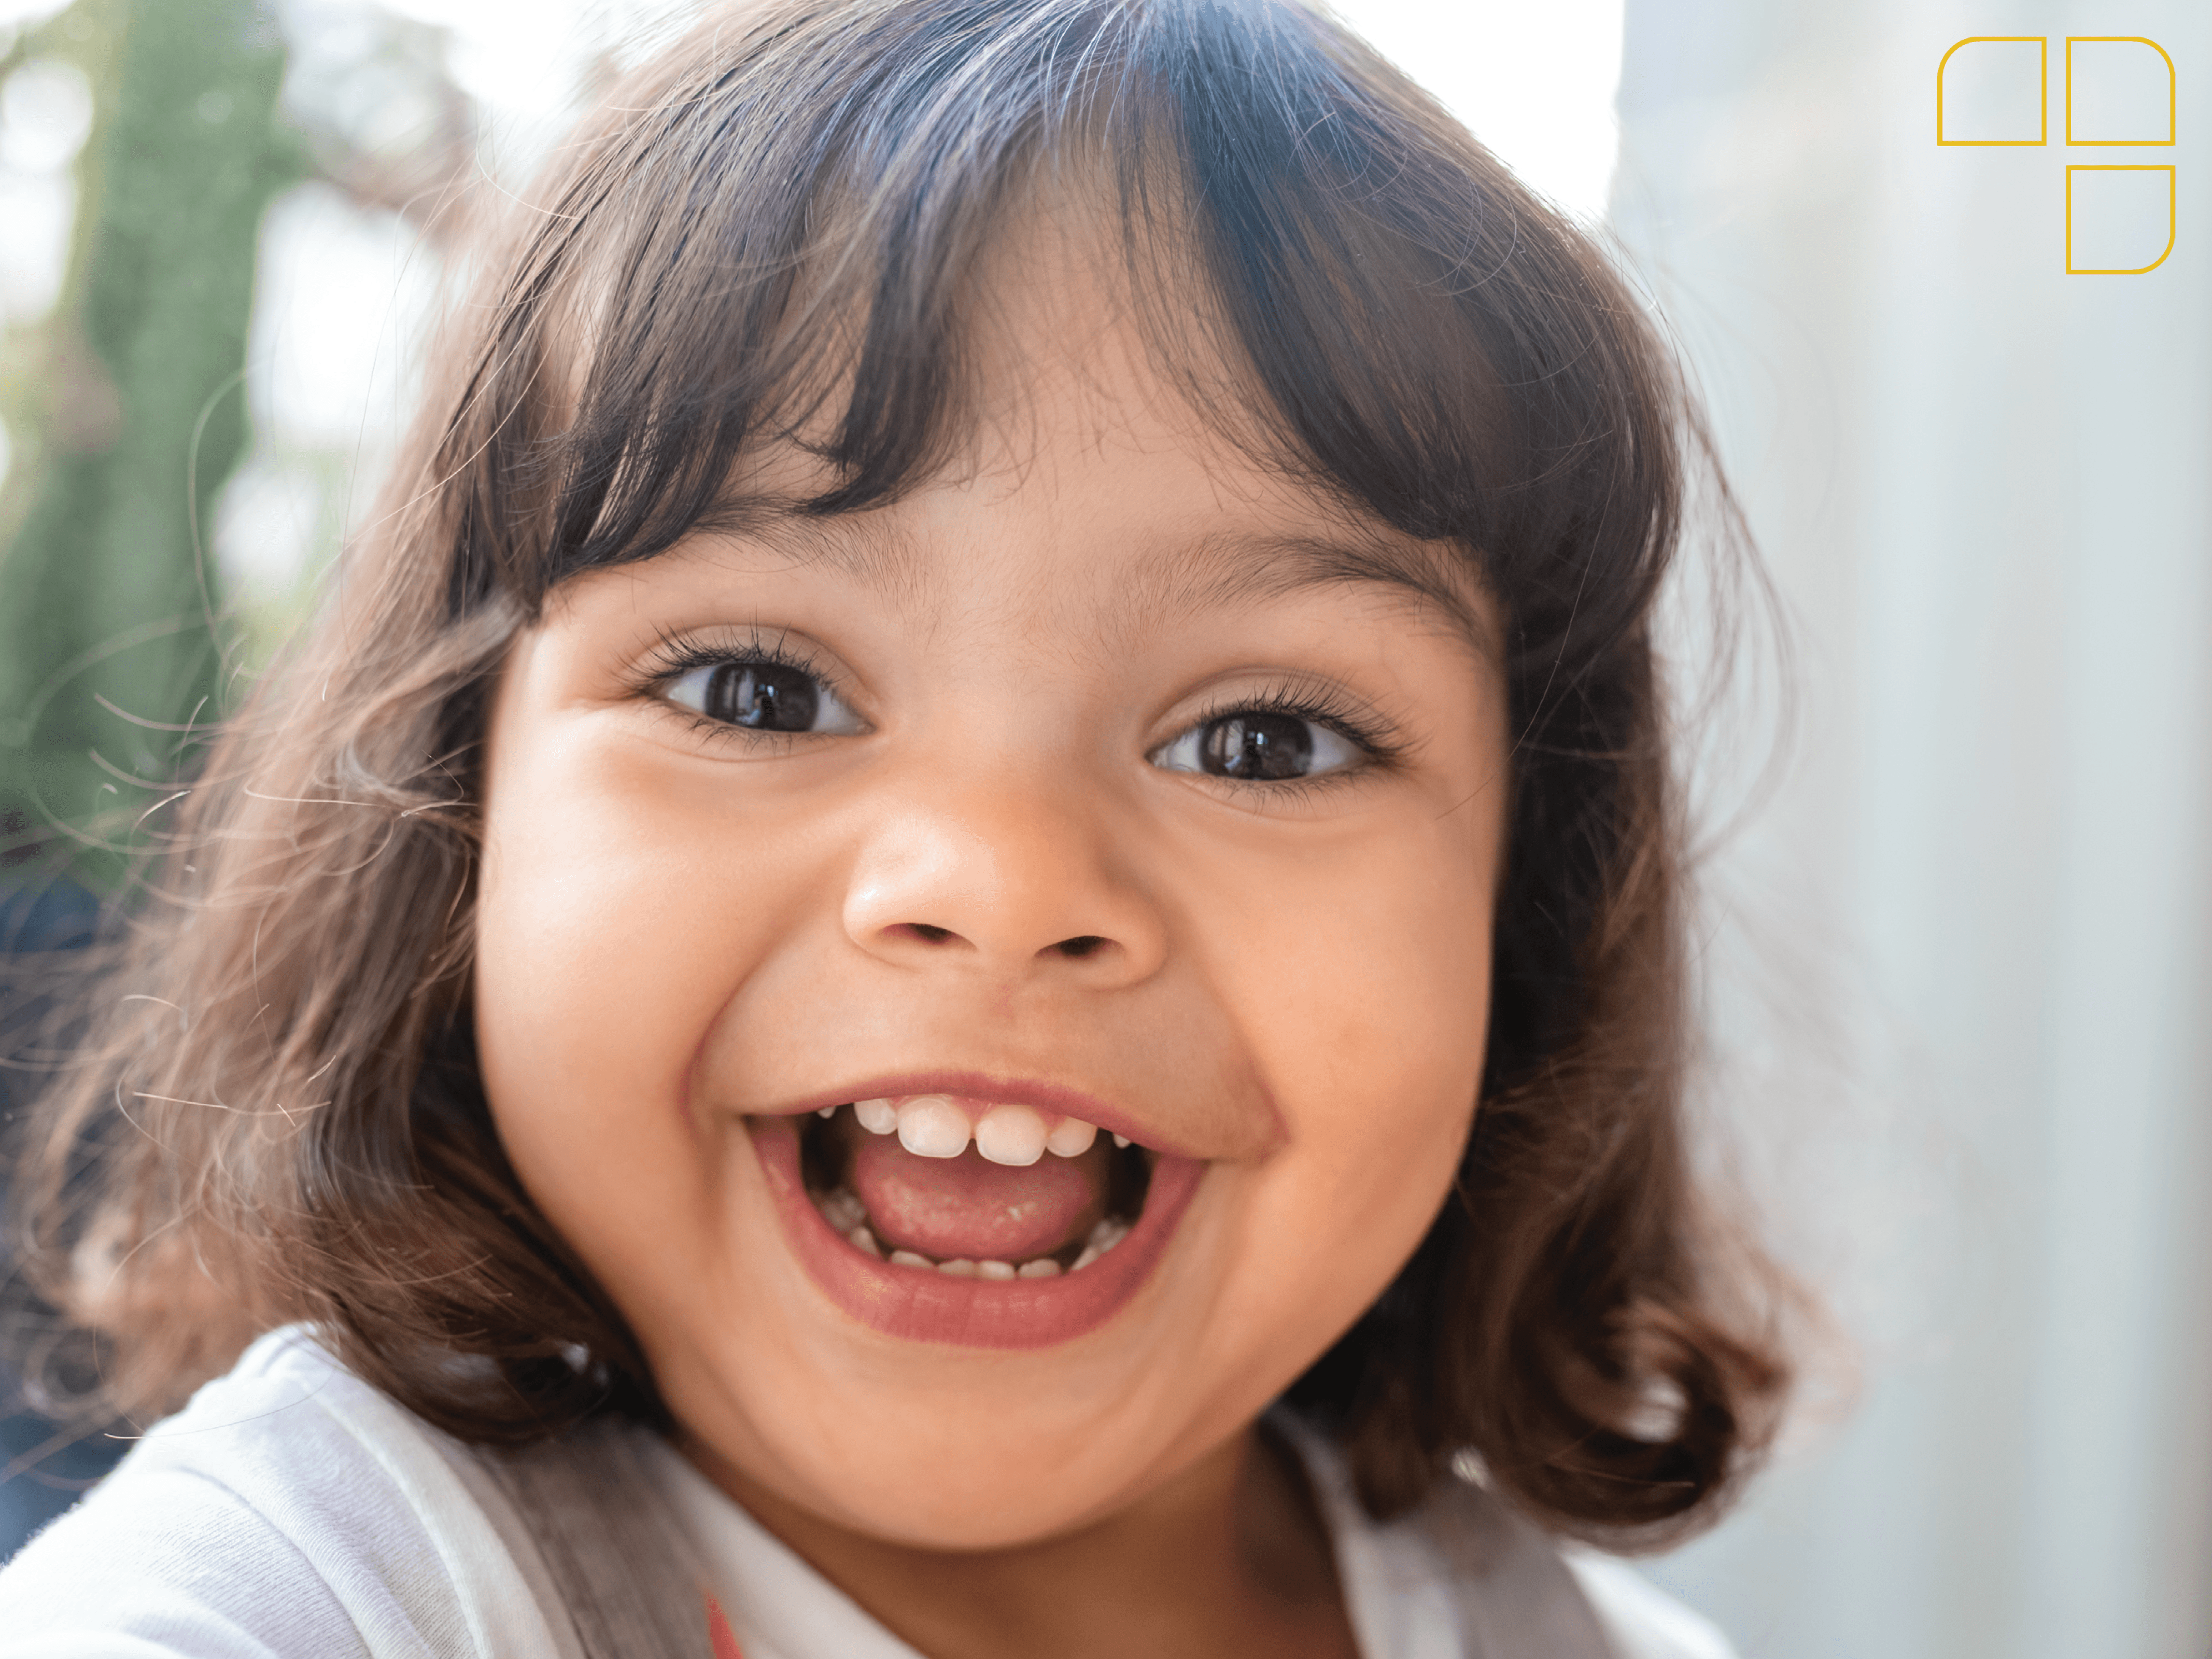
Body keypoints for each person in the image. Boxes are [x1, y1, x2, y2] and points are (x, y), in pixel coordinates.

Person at [0, 1, 1794, 1653]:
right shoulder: (300, 1596)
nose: (1001, 885)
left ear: (1523, 905)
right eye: (760, 693)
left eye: (1263, 737)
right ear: (461, 814)